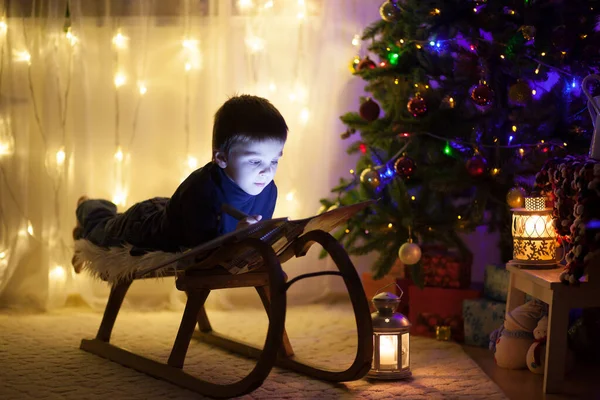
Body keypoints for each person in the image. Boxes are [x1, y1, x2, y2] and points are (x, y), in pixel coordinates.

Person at [72, 94, 288, 272]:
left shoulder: (269, 190)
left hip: (174, 210)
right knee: (104, 229)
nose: (267, 170)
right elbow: (200, 253)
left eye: (274, 160)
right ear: (221, 158)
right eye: (255, 161)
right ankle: (88, 207)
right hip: (146, 227)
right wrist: (235, 238)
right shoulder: (202, 190)